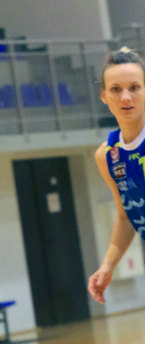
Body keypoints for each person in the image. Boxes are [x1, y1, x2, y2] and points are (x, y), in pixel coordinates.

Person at [88, 47, 145, 303]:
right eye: (116, 89)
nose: (125, 97)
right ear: (104, 96)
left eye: (134, 87)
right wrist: (107, 266)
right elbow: (125, 218)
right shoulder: (107, 156)